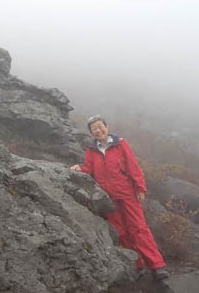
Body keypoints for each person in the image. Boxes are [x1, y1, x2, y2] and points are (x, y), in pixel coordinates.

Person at [70, 115, 170, 280]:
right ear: (91, 133)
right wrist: (78, 169)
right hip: (108, 197)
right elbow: (89, 169)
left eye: (100, 126)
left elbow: (132, 165)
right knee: (120, 231)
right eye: (94, 128)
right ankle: (136, 264)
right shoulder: (91, 150)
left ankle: (157, 266)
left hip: (127, 193)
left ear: (106, 127)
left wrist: (140, 187)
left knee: (138, 228)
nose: (98, 130)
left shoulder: (120, 144)